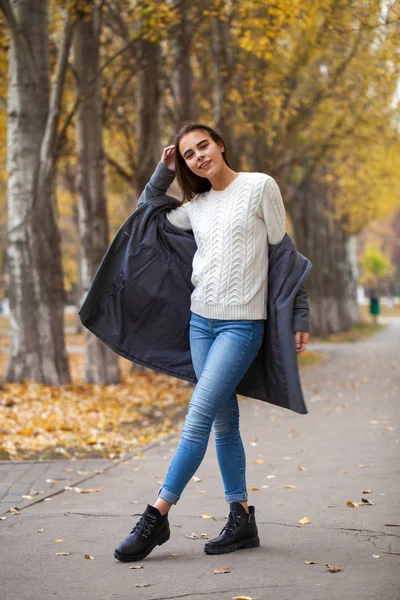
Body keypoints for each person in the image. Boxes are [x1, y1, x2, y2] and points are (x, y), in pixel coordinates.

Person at [114, 122, 310, 563]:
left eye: (204, 146)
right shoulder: (195, 206)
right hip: (200, 323)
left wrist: (300, 313)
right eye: (188, 154)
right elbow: (148, 216)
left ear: (220, 146)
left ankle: (156, 514)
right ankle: (241, 518)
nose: (199, 156)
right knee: (223, 422)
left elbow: (284, 252)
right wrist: (161, 175)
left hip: (241, 327)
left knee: (199, 416)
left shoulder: (260, 186)